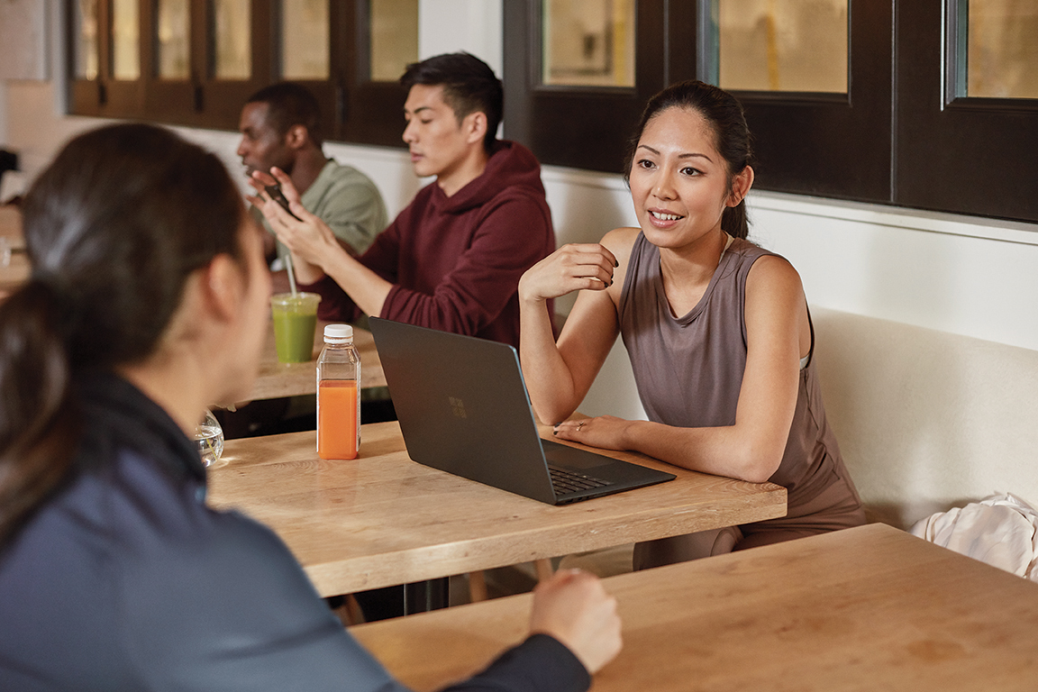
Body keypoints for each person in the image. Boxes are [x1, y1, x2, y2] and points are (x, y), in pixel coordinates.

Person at [0, 123, 622, 690]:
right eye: (259, 254)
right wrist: (558, 650)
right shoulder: (206, 564)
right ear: (220, 288)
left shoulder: (35, 467)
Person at [518, 81, 866, 569]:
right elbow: (553, 404)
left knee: (682, 600)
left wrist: (629, 435)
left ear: (736, 187)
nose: (661, 188)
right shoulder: (621, 255)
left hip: (798, 520)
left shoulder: (768, 280)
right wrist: (530, 298)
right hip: (699, 501)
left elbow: (752, 458)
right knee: (663, 575)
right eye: (647, 163)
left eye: (690, 170)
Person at [249, 53, 554, 348]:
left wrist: (329, 254)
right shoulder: (427, 202)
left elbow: (442, 326)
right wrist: (296, 234)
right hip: (417, 391)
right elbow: (338, 308)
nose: (409, 134)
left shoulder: (517, 211)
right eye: (408, 120)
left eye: (425, 120)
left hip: (488, 398)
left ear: (474, 126)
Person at [238, 82, 388, 270]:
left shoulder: (352, 192)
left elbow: (326, 280)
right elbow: (246, 259)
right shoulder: (272, 190)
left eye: (251, 136)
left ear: (296, 137)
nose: (240, 150)